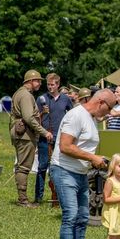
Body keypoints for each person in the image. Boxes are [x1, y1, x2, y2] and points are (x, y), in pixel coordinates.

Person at [50, 88, 117, 239]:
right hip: (64, 171)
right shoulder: (75, 115)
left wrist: (98, 160)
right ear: (101, 103)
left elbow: (83, 147)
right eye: (109, 108)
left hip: (80, 173)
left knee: (82, 218)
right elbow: (65, 146)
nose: (109, 113)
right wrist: (92, 157)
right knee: (70, 216)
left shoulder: (92, 120)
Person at [10, 70, 53, 207]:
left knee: (22, 166)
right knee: (23, 167)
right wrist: (44, 132)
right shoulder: (26, 95)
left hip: (21, 133)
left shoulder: (20, 93)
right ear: (30, 81)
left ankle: (22, 198)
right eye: (38, 81)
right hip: (25, 135)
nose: (40, 83)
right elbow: (29, 117)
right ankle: (23, 200)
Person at [34, 73, 73, 204]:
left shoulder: (65, 99)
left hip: (60, 138)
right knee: (42, 167)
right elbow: (34, 118)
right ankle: (38, 198)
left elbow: (71, 115)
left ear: (58, 84)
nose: (50, 87)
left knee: (59, 167)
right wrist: (42, 112)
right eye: (48, 85)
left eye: (52, 85)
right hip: (45, 137)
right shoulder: (41, 99)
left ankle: (58, 197)